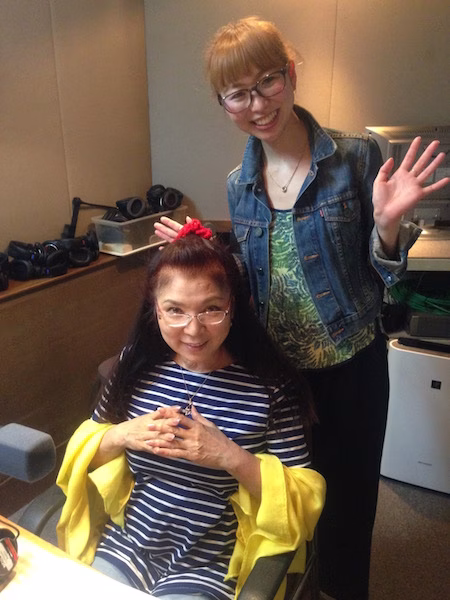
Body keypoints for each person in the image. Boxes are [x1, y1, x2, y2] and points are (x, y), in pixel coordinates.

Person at [153, 16, 450, 600]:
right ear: (223, 103)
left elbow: (386, 276)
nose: (257, 104)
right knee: (286, 495)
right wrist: (205, 255)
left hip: (353, 365)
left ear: (290, 74)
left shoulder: (356, 156)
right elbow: (257, 279)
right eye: (237, 93)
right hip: (279, 375)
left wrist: (389, 226)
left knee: (350, 501)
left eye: (267, 81)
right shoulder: (238, 183)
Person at [56, 222, 326, 600]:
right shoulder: (135, 366)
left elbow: (304, 497)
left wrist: (229, 456)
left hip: (210, 564)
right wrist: (121, 435)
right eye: (175, 310)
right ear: (156, 310)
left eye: (211, 309)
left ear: (233, 307)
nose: (193, 330)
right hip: (125, 545)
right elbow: (85, 455)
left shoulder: (271, 387)